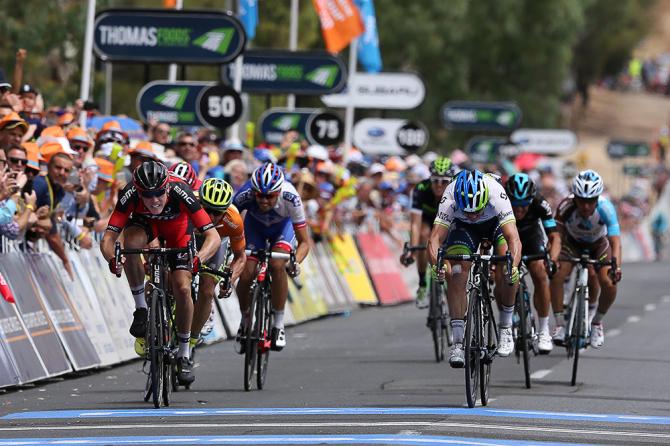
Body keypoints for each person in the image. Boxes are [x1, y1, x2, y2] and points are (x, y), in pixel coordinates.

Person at [99, 161, 221, 385]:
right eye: (147, 195)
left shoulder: (181, 191)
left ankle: (184, 353)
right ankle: (142, 309)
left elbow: (213, 236)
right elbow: (108, 238)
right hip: (145, 226)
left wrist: (198, 258)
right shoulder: (129, 194)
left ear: (166, 188)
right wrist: (112, 259)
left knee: (182, 287)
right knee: (131, 241)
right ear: (138, 191)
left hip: (178, 232)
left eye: (158, 193)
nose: (154, 200)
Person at [427, 169, 522, 368]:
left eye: (477, 210)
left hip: (495, 226)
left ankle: (506, 326)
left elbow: (514, 239)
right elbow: (435, 239)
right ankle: (458, 342)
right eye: (468, 211)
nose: (472, 215)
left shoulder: (496, 193)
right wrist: (437, 265)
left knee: (507, 266)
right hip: (464, 230)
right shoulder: (451, 195)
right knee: (457, 272)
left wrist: (513, 266)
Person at [233, 162, 310, 351]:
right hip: (254, 229)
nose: (264, 201)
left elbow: (305, 242)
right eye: (260, 195)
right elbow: (228, 222)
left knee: (277, 265)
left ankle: (278, 324)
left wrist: (296, 263)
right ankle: (245, 319)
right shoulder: (245, 194)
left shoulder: (291, 197)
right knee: (246, 273)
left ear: (279, 192)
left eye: (270, 196)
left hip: (281, 230)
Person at [550, 170, 622, 349]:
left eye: (591, 201)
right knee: (557, 275)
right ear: (575, 198)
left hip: (598, 244)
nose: (586, 206)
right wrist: (553, 259)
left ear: (598, 198)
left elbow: (615, 241)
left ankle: (596, 322)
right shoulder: (565, 206)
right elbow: (557, 237)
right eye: (582, 201)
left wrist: (616, 266)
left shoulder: (606, 208)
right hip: (571, 242)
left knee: (609, 282)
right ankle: (559, 324)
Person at [504, 173, 561, 353]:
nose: (519, 210)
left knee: (540, 272)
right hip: (506, 237)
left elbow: (554, 236)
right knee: (501, 273)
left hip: (531, 237)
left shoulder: (539, 203)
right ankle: (507, 322)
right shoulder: (500, 202)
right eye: (515, 204)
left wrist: (552, 260)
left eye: (524, 205)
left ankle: (544, 330)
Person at [190, 178, 246, 352]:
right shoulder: (187, 204)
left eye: (217, 212)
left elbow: (240, 257)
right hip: (189, 237)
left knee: (207, 289)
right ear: (199, 203)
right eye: (207, 210)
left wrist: (230, 279)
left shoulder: (233, 220)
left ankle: (191, 341)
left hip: (217, 242)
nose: (212, 217)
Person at [401, 156, 458, 308]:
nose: (439, 185)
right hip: (427, 220)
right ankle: (422, 284)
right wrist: (413, 249)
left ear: (451, 181)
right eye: (435, 180)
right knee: (422, 237)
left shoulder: (455, 191)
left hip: (448, 220)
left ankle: (449, 281)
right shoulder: (420, 189)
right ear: (430, 179)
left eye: (444, 181)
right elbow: (415, 224)